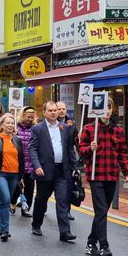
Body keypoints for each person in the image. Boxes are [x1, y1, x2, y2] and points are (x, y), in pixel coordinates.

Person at [79, 98, 128, 256]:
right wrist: (90, 148)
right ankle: (104, 247)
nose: (107, 110)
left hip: (112, 175)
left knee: (102, 212)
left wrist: (127, 170)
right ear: (98, 109)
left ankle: (90, 242)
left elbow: (122, 153)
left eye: (109, 107)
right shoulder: (89, 129)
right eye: (104, 107)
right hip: (95, 176)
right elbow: (81, 150)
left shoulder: (118, 130)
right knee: (101, 210)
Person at [29, 101, 77, 241]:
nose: (54, 112)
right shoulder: (38, 128)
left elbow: (69, 149)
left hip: (62, 170)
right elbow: (33, 149)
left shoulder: (64, 128)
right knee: (41, 200)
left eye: (55, 110)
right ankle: (36, 224)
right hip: (44, 170)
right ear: (44, 112)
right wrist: (37, 165)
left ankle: (65, 232)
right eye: (50, 110)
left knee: (62, 200)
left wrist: (74, 167)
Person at [0, 113, 24, 241]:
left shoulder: (17, 140)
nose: (10, 125)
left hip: (14, 175)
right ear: (1, 125)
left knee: (5, 202)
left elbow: (21, 159)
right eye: (7, 123)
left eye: (12, 123)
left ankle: (0, 227)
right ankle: (5, 230)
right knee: (6, 199)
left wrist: (21, 176)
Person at [10, 106, 36, 217]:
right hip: (17, 163)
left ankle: (26, 208)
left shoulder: (36, 128)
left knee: (29, 188)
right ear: (22, 115)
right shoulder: (15, 128)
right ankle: (12, 202)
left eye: (32, 117)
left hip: (31, 163)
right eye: (28, 117)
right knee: (16, 187)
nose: (30, 119)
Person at [57, 101, 79, 221]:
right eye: (59, 108)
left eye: (63, 108)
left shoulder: (71, 124)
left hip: (68, 161)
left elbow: (75, 143)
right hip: (54, 161)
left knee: (68, 187)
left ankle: (67, 211)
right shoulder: (51, 123)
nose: (61, 110)